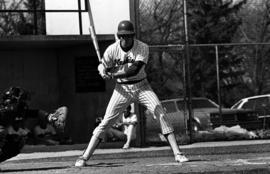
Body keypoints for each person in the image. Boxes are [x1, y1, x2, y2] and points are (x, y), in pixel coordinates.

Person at [75, 20, 188, 167]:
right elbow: (103, 65)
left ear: (133, 35)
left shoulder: (142, 47)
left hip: (142, 86)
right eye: (122, 36)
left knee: (160, 111)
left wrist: (113, 74)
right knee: (106, 122)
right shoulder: (111, 50)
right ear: (118, 36)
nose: (125, 38)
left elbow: (133, 71)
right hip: (121, 90)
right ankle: (84, 157)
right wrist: (102, 70)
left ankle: (178, 153)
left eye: (128, 35)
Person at [0, 86, 67, 163]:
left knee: (17, 142)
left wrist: (50, 117)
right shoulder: (3, 111)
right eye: (21, 101)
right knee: (1, 132)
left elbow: (36, 112)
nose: (23, 104)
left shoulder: (16, 110)